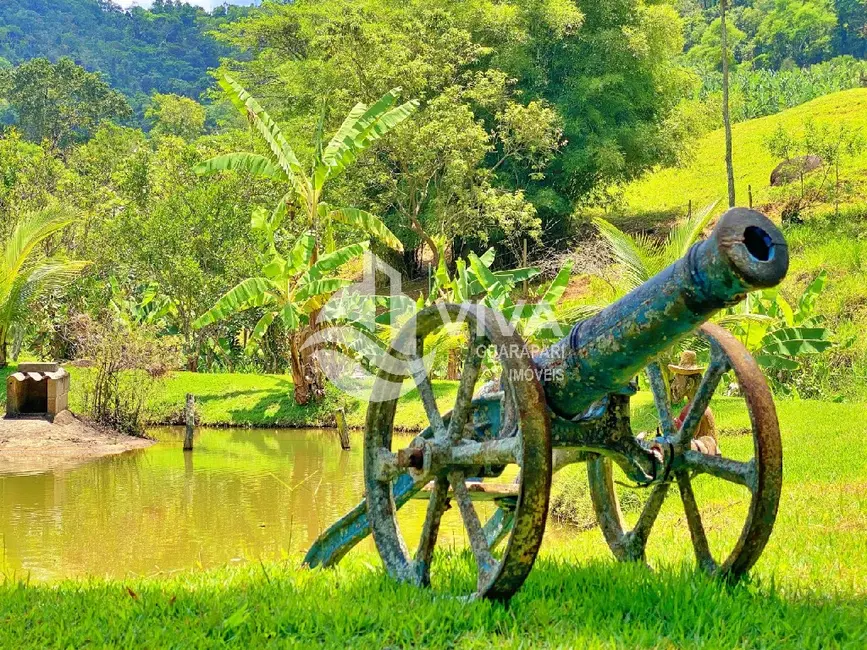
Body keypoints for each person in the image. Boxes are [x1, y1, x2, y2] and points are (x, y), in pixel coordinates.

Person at [668, 350, 720, 456]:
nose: (674, 385)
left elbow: (684, 439)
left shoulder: (692, 409)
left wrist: (673, 423)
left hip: (704, 453)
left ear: (689, 384)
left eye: (677, 380)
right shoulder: (701, 405)